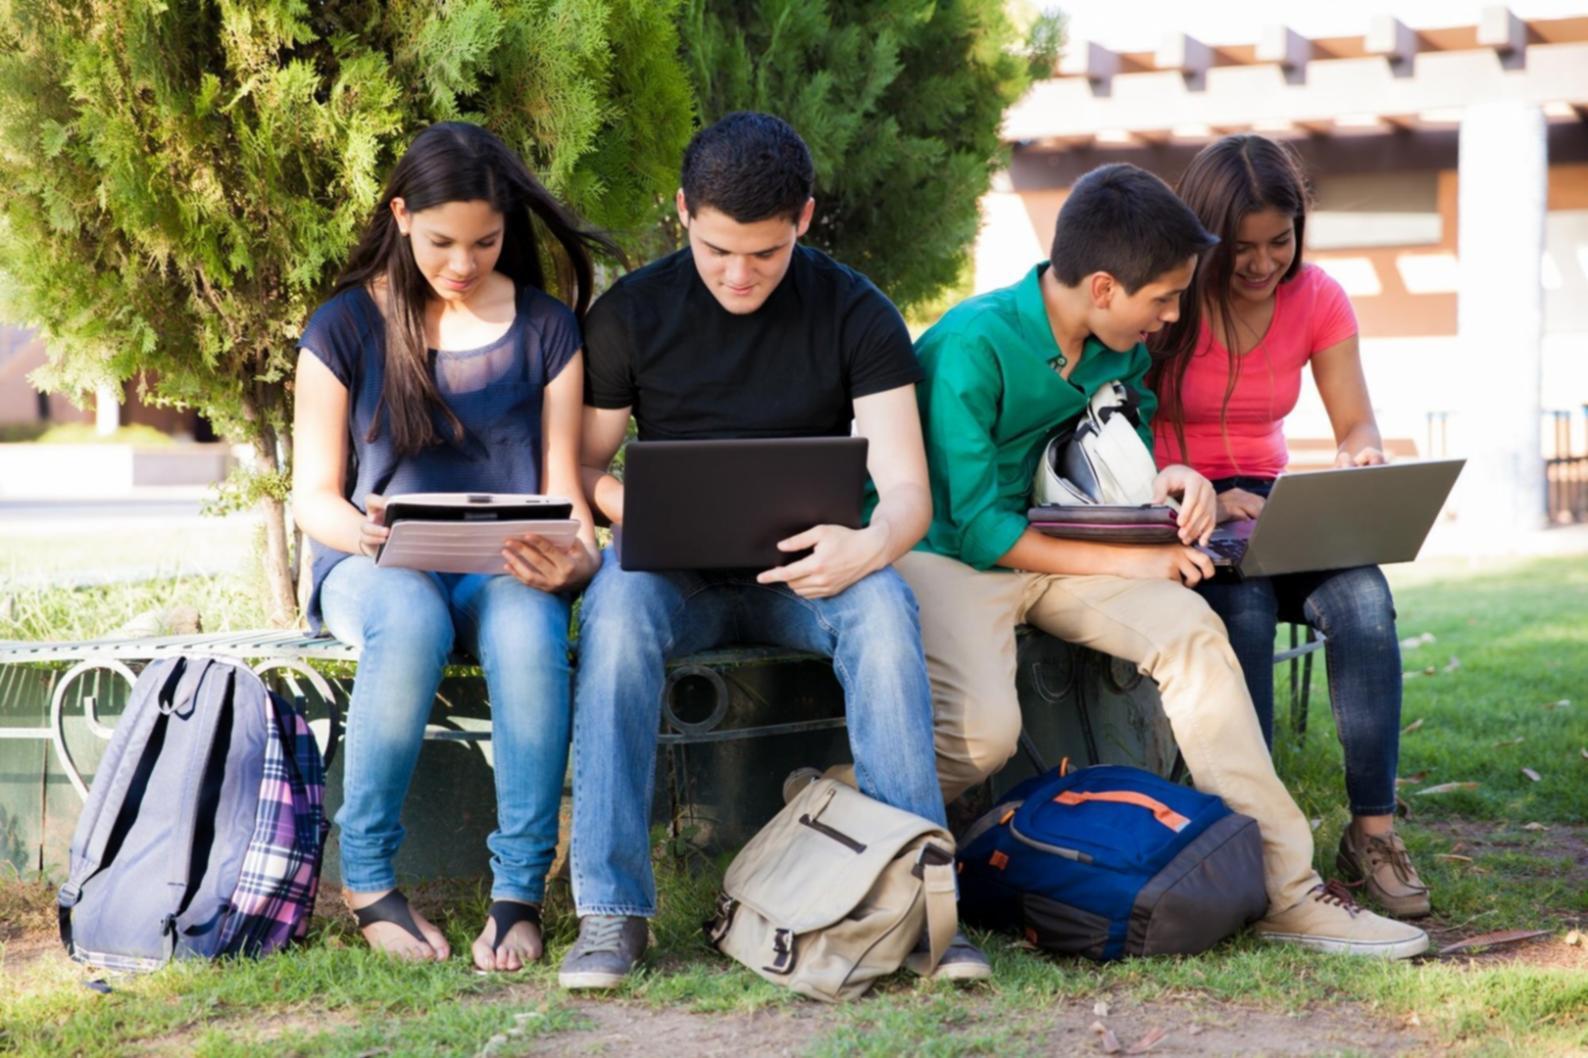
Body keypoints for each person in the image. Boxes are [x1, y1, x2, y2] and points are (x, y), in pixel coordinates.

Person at [897, 162, 1429, 957]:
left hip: (1061, 549)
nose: (1175, 316)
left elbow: (1128, 446)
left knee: (1191, 631)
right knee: (982, 736)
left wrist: (1173, 479)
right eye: (1166, 299)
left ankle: (1289, 888)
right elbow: (978, 530)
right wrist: (1136, 564)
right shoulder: (973, 345)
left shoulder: (1120, 347)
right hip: (953, 557)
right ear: (1104, 287)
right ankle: (844, 802)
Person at [559, 111, 988, 990]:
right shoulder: (630, 315)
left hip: (811, 575)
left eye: (764, 251)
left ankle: (920, 909)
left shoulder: (857, 311)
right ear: (683, 211)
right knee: (613, 620)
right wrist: (625, 503)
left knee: (882, 609)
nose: (739, 273)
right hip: (673, 574)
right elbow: (585, 465)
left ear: (803, 217)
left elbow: (909, 494)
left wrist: (865, 546)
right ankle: (610, 913)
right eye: (718, 249)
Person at [292, 122, 613, 970]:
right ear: (400, 216)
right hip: (371, 563)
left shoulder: (548, 330)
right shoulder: (343, 327)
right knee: (411, 621)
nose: (462, 263)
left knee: (528, 627)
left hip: (501, 565)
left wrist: (577, 557)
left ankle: (518, 895)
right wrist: (363, 532)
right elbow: (313, 498)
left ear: (507, 225)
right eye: (440, 242)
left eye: (485, 241)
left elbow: (566, 497)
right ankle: (365, 880)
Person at [1149, 134, 1429, 918]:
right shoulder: (1170, 300)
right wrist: (1193, 492)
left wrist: (1362, 457)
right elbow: (1120, 423)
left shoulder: (1319, 298)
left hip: (1275, 505)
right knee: (1239, 615)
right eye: (1243, 247)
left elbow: (1354, 423)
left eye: (1281, 241)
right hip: (1184, 507)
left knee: (1364, 603)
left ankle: (1373, 831)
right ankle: (1258, 841)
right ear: (1208, 238)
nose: (1264, 263)